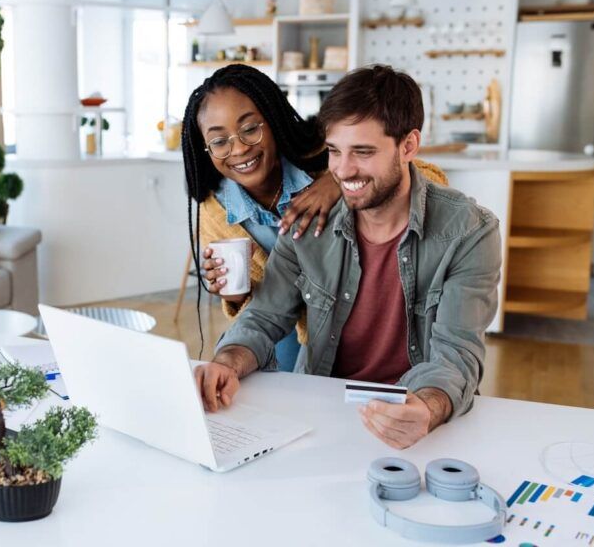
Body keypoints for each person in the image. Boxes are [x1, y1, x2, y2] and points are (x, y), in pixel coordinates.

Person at [193, 65, 502, 450]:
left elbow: (457, 353)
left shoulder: (470, 232)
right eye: (335, 152)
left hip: (414, 411)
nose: (342, 170)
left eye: (363, 152)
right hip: (324, 407)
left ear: (408, 146)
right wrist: (227, 362)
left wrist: (427, 406)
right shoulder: (307, 222)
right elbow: (264, 316)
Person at [181, 64, 447, 372]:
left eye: (250, 129)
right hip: (287, 322)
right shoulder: (214, 210)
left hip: (356, 321)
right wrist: (235, 293)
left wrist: (338, 182)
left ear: (273, 121)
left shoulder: (327, 159)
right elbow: (259, 310)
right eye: (218, 141)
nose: (238, 148)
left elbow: (432, 180)